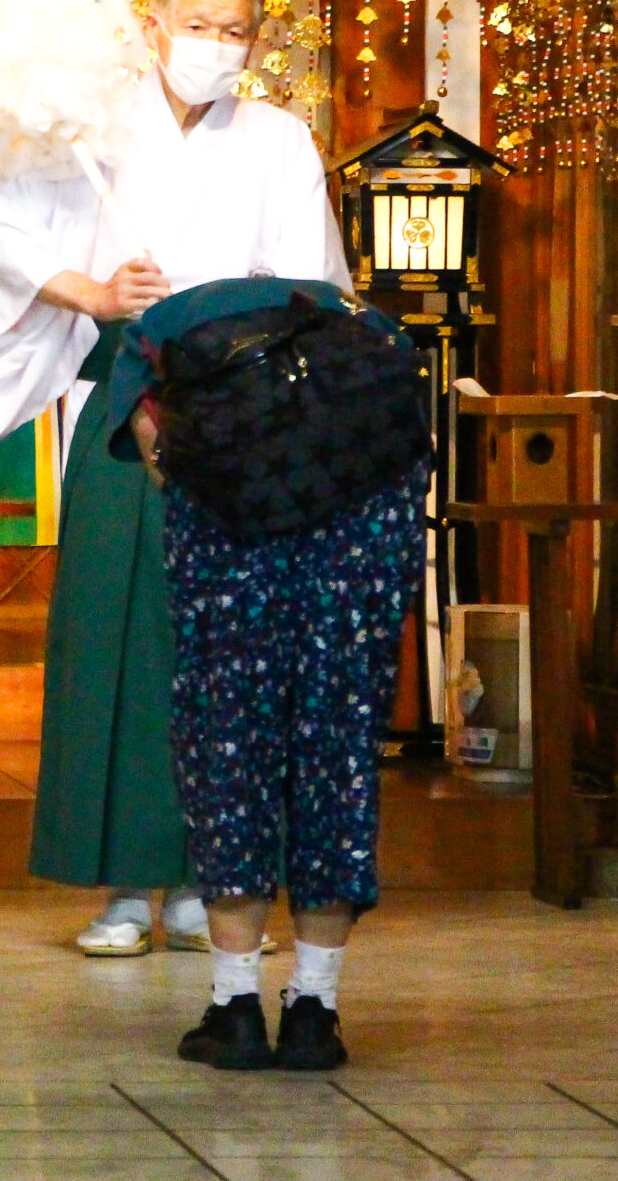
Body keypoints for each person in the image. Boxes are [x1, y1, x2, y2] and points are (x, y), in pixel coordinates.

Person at [0, 0, 349, 956]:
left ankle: (211, 880)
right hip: (119, 405)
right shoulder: (83, 125)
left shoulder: (277, 141)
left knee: (227, 651)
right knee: (116, 642)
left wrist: (236, 327)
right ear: (151, 25)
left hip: (235, 415)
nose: (214, 49)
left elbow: (313, 280)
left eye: (235, 33)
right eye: (197, 27)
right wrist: (92, 289)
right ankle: (125, 888)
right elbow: (1, 242)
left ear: (255, 38)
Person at [107, 276, 427, 1071]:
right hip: (363, 535)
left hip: (231, 548)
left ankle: (235, 1008)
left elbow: (154, 447)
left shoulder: (159, 329)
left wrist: (187, 474)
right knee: (336, 755)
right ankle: (315, 1011)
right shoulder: (370, 329)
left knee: (230, 749)